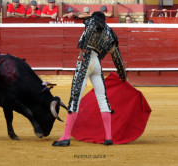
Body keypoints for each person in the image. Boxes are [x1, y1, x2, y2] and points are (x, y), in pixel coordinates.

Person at [52, 11, 127, 147]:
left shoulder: (92, 22)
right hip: (97, 64)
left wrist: (82, 49)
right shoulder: (110, 34)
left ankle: (65, 137)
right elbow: (117, 59)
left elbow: (91, 27)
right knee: (103, 99)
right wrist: (123, 77)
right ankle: (108, 137)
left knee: (75, 99)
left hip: (85, 60)